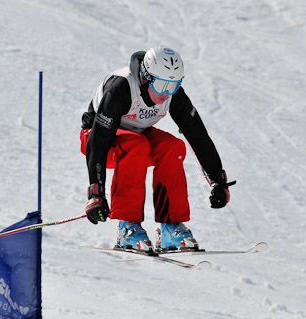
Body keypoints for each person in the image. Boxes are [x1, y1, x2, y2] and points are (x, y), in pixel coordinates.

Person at [79, 45, 235, 252]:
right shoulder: (121, 88)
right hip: (97, 140)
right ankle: (127, 227)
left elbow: (197, 134)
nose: (166, 93)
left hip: (137, 136)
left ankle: (170, 228)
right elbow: (98, 140)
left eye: (173, 85)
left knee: (172, 147)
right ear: (146, 78)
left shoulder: (173, 94)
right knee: (136, 145)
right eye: (161, 85)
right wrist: (96, 194)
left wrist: (218, 180)